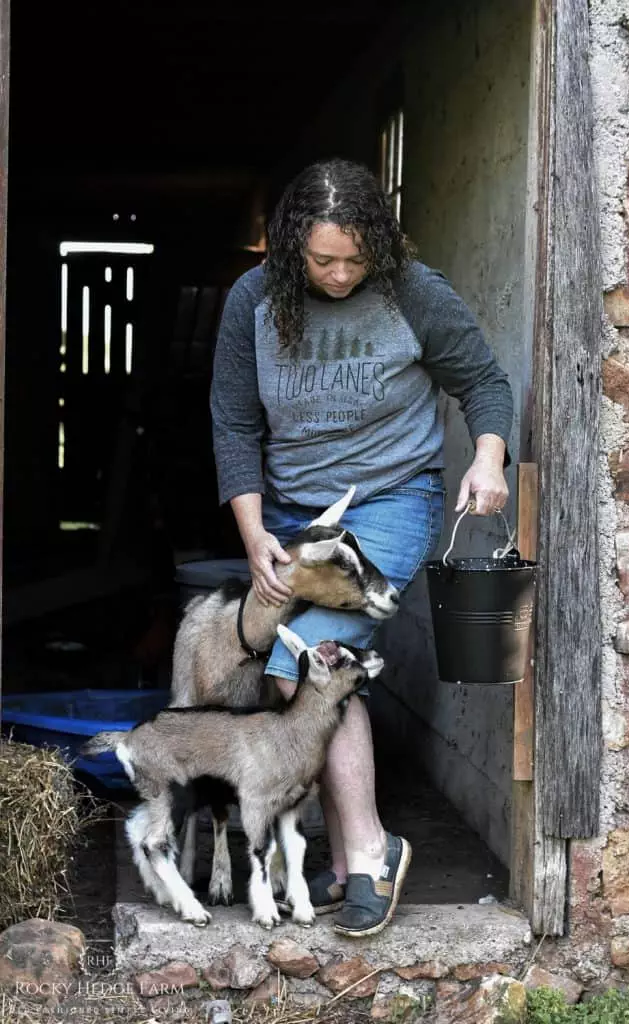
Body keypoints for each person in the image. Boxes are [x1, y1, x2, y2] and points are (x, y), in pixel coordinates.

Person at [210, 157, 512, 937]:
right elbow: (236, 425)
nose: (341, 274)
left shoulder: (412, 291)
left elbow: (483, 382)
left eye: (355, 258)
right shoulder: (252, 301)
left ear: (377, 245)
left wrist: (486, 457)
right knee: (296, 675)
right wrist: (253, 535)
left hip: (388, 504)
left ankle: (372, 852)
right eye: (322, 260)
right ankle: (348, 862)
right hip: (291, 515)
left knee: (309, 663)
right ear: (288, 252)